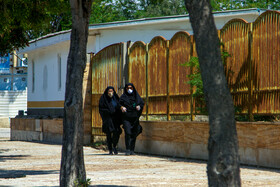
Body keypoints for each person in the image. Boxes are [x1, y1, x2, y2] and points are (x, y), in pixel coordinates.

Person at [120, 83, 144, 155]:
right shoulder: (123, 97)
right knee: (128, 132)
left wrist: (139, 107)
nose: (129, 90)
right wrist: (121, 107)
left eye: (131, 88)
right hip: (126, 118)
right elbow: (119, 104)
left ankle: (132, 149)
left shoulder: (136, 96)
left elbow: (141, 103)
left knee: (134, 133)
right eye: (128, 88)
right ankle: (127, 149)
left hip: (135, 118)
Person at [99, 86, 122, 155]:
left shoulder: (115, 98)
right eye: (109, 91)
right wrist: (108, 111)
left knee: (117, 132)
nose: (110, 93)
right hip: (108, 119)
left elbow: (119, 105)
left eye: (111, 91)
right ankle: (110, 149)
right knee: (108, 134)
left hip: (115, 119)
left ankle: (114, 146)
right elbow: (101, 109)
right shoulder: (103, 99)